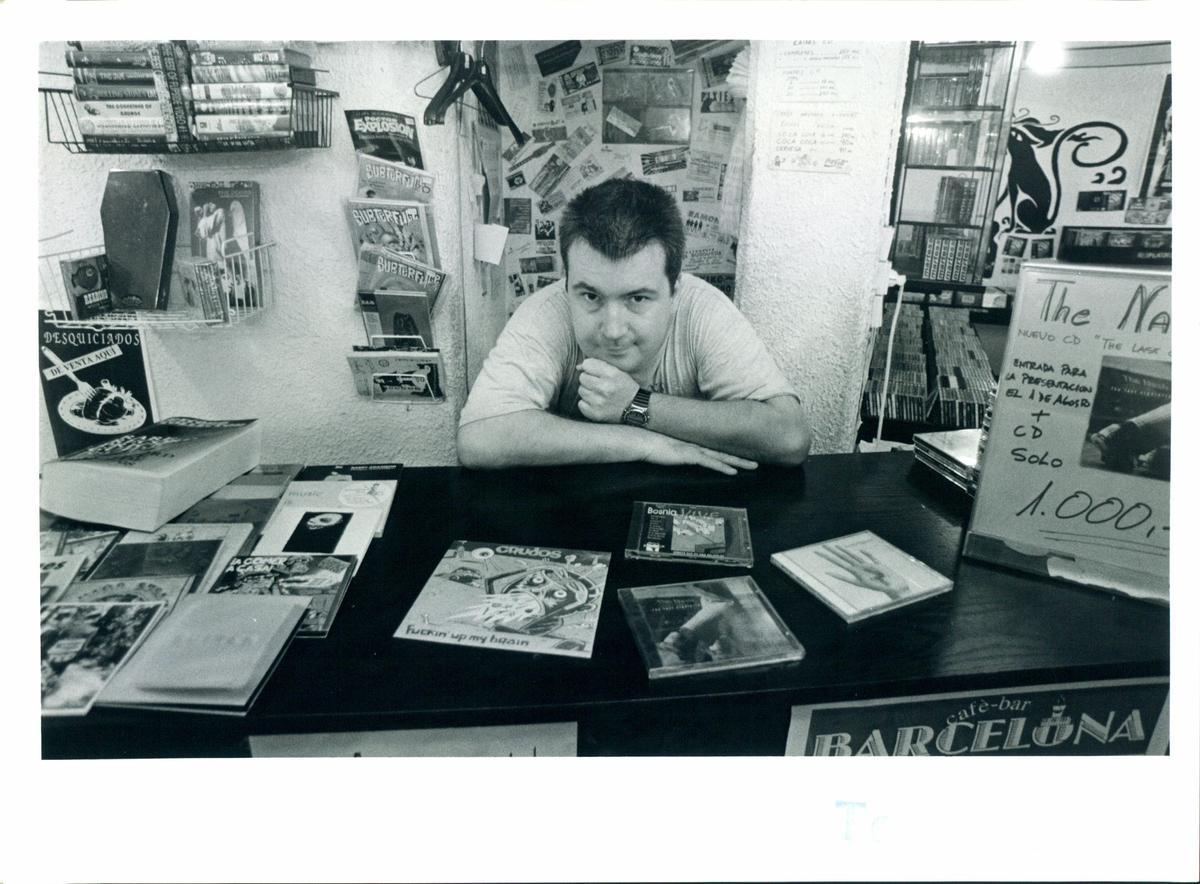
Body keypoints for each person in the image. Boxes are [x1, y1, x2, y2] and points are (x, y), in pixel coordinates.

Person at [457, 178, 811, 475]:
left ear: (675, 290)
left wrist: (635, 404)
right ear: (566, 284)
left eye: (637, 299)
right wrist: (642, 441)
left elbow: (789, 436)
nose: (612, 330)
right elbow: (478, 439)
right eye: (591, 296)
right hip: (570, 515)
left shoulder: (703, 309)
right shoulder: (546, 311)